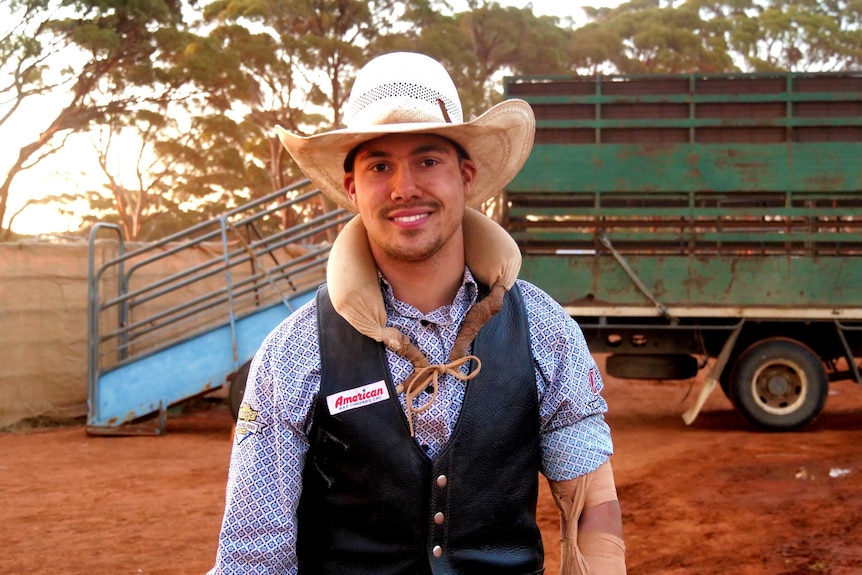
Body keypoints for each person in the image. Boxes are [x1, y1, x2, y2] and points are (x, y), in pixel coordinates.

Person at [209, 51, 625, 575]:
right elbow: (252, 556)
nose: (405, 187)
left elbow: (591, 504)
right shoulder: (293, 354)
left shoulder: (544, 329)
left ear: (465, 175)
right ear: (352, 187)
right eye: (380, 165)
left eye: (428, 160)